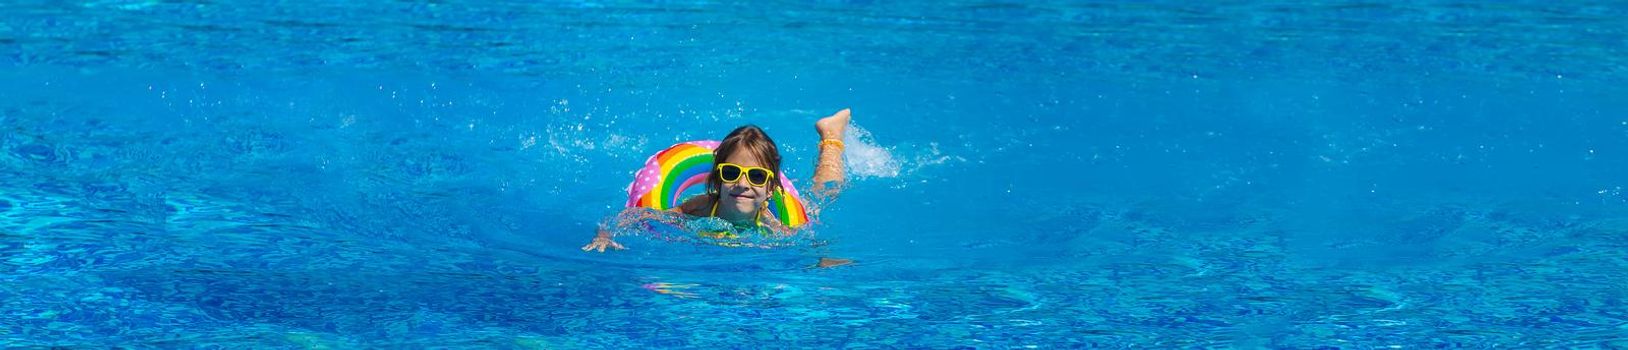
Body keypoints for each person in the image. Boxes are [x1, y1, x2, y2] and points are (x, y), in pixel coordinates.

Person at [580, 108, 852, 259]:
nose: (743, 184)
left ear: (770, 188)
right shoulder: (701, 207)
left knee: (822, 195)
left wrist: (823, 258)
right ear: (717, 181)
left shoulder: (770, 222)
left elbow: (806, 242)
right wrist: (605, 235)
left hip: (791, 209)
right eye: (732, 172)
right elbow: (636, 215)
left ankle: (831, 135)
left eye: (756, 176)